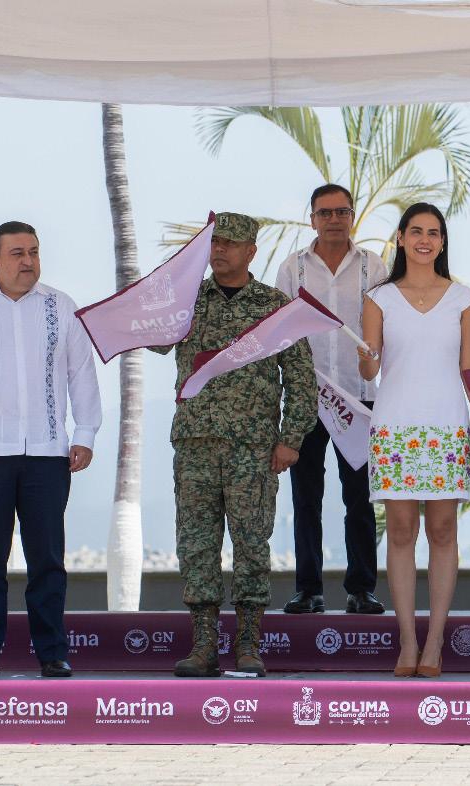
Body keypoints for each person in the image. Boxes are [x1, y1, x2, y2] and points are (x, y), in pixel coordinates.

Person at [0, 221, 101, 678]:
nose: (28, 261)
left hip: (47, 452)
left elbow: (81, 373)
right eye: (17, 253)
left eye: (33, 252)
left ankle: (53, 653)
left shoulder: (61, 306)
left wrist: (85, 433)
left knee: (47, 558)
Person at [154, 212, 315, 678]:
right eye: (214, 242)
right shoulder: (187, 301)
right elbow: (153, 341)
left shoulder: (274, 306)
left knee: (251, 544)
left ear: (251, 251)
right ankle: (204, 645)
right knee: (196, 545)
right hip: (196, 444)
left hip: (253, 449)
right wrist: (166, 292)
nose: (220, 250)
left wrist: (290, 440)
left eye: (230, 243)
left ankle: (248, 645)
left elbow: (302, 380)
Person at [358, 203, 470, 678]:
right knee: (400, 532)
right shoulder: (378, 298)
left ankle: (434, 641)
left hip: (447, 425)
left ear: (442, 241)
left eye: (434, 233)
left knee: (443, 530)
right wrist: (367, 357)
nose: (425, 240)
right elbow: (369, 369)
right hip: (394, 427)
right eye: (416, 231)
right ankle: (407, 641)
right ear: (400, 238)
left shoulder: (463, 298)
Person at [275, 184, 388, 616]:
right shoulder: (293, 269)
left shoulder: (374, 266)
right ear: (312, 220)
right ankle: (308, 590)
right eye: (325, 213)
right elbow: (280, 330)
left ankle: (362, 589)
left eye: (342, 211)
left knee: (359, 498)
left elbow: (385, 328)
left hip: (360, 398)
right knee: (306, 499)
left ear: (352, 217)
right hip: (309, 398)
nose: (334, 220)